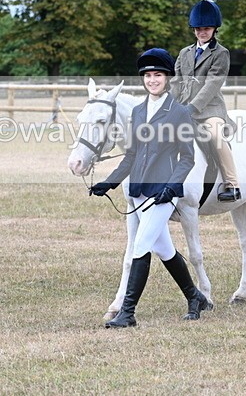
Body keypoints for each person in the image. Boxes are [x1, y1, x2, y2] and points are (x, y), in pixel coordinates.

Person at [89, 47, 212, 328]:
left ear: (167, 78)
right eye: (148, 76)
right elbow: (132, 155)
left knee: (141, 245)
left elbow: (188, 158)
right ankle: (195, 297)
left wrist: (171, 186)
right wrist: (109, 182)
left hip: (163, 192)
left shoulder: (178, 112)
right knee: (165, 250)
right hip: (139, 191)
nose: (152, 80)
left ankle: (127, 313)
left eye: (158, 75)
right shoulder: (138, 111)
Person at [172, 0, 241, 202]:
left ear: (214, 29)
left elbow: (212, 84)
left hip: (209, 110)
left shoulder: (221, 53)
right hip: (184, 107)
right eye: (199, 29)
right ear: (194, 29)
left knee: (215, 135)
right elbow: (176, 82)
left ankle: (232, 184)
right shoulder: (184, 53)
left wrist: (192, 108)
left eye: (207, 29)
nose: (202, 32)